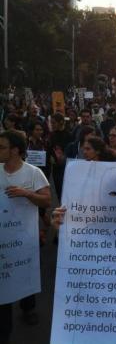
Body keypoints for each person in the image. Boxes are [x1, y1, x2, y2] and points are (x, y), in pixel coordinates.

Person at [0, 130, 51, 344]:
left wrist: (27, 194)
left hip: (24, 238)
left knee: (23, 273)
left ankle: (28, 308)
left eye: (2, 147)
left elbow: (47, 201)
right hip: (2, 239)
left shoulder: (33, 173)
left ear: (15, 150)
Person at [48, 113, 72, 202]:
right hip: (56, 168)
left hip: (67, 168)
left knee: (67, 192)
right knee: (59, 191)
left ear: (61, 122)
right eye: (51, 122)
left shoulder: (69, 135)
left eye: (54, 123)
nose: (52, 125)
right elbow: (50, 148)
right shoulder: (51, 135)